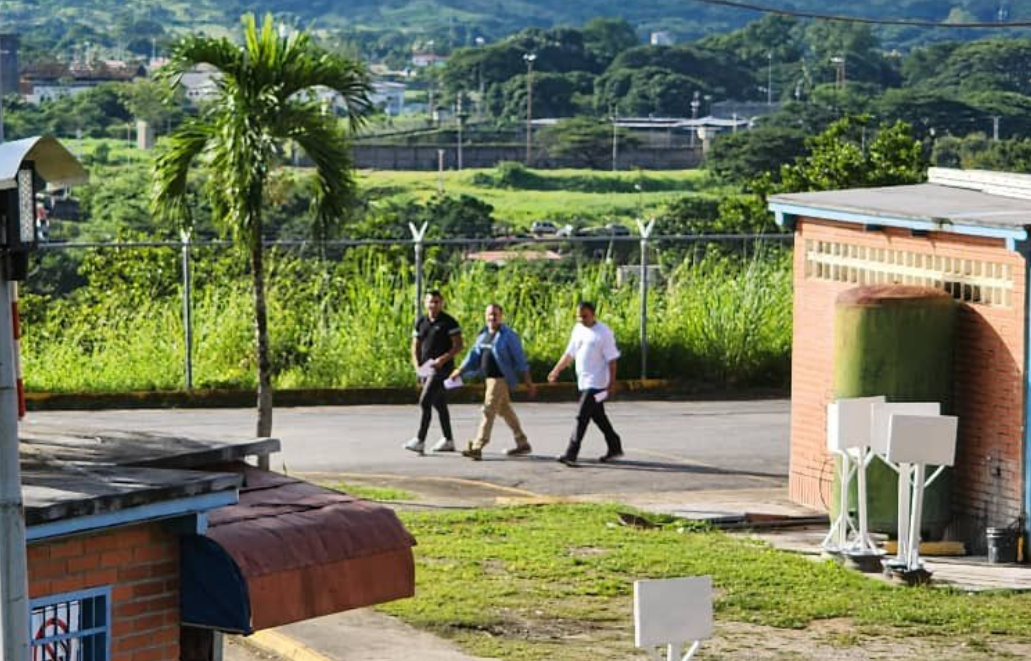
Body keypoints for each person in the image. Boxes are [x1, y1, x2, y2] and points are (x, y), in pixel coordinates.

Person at [451, 303, 537, 460]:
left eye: (495, 314)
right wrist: (459, 371)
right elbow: (473, 356)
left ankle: (477, 446)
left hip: (501, 379)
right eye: (489, 314)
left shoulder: (509, 336)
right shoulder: (483, 335)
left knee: (488, 410)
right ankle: (522, 442)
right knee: (504, 410)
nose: (492, 317)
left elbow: (520, 360)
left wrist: (528, 382)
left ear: (501, 316)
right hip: (489, 379)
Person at [547, 301, 623, 466]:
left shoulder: (604, 333)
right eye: (578, 316)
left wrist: (611, 384)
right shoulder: (578, 329)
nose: (581, 319)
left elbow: (612, 361)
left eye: (585, 316)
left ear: (593, 314)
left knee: (581, 417)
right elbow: (569, 353)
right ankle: (615, 446)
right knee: (598, 416)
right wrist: (556, 370)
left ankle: (571, 453)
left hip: (597, 385)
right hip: (584, 382)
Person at [404, 290, 463, 454]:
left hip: (442, 369)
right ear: (425, 303)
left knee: (425, 401)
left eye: (437, 302)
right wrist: (417, 365)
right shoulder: (421, 321)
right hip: (426, 368)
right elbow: (415, 345)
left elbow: (458, 346)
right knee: (439, 404)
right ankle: (448, 440)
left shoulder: (449, 322)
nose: (433, 305)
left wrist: (442, 360)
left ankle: (420, 440)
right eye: (431, 301)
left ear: (442, 303)